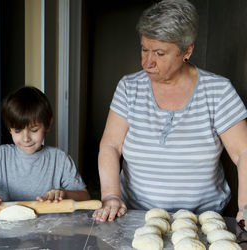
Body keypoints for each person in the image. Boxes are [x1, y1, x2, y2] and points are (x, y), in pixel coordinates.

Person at [93, 0, 247, 222]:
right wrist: (110, 196)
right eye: (144, 49)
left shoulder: (218, 90)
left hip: (202, 219)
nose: (147, 62)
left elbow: (243, 152)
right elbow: (110, 146)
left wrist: (245, 206)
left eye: (159, 53)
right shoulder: (129, 87)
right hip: (136, 215)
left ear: (187, 50)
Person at [0, 86, 90, 210]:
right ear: (10, 129)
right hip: (9, 228)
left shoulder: (60, 159)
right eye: (18, 131)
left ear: (48, 124)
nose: (26, 139)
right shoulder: (1, 156)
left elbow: (85, 197)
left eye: (34, 130)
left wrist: (64, 193)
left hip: (47, 230)